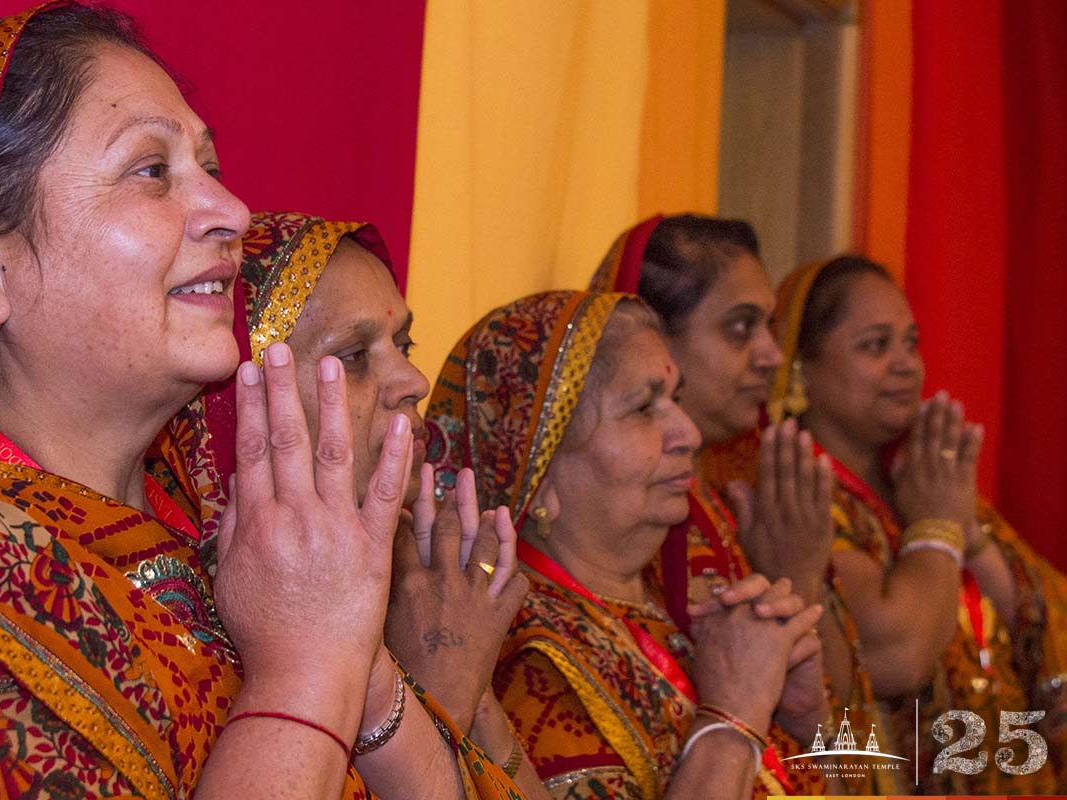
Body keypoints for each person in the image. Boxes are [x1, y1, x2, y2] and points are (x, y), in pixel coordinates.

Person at [0, 6, 515, 798]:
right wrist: (309, 667)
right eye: (152, 170)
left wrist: (364, 673)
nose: (233, 212)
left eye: (208, 165)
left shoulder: (229, 544)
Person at [426, 289, 829, 798]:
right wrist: (734, 717)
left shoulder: (682, 603)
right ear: (540, 475)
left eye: (676, 400)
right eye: (644, 408)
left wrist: (807, 719)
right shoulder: (528, 665)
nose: (687, 433)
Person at [235, 209, 543, 796]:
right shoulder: (218, 618)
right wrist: (446, 692)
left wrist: (477, 705)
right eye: (355, 355)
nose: (412, 379)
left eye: (404, 343)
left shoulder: (418, 589)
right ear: (242, 395)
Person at [588, 216, 882, 791]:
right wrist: (794, 575)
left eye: (769, 327)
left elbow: (831, 708)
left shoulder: (731, 500)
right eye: (741, 328)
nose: (773, 355)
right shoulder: (617, 524)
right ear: (654, 337)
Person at [763, 254, 1067, 793]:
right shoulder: (797, 498)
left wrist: (968, 536)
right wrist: (939, 527)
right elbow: (893, 655)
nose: (906, 363)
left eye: (911, 342)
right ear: (801, 366)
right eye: (876, 345)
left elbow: (1045, 614)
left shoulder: (918, 476)